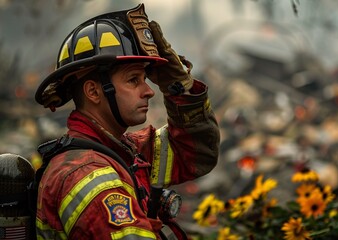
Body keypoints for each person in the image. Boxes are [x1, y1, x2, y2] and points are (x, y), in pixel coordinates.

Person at [33, 3, 219, 240]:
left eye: (145, 78)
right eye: (133, 80)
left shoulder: (121, 152)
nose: (149, 91)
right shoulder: (89, 176)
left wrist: (180, 89)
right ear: (94, 92)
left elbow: (195, 153)